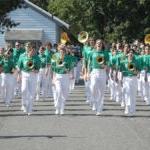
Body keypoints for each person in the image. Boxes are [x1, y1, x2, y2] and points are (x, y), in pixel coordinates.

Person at [17, 42, 40, 115]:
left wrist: (35, 70)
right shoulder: (22, 56)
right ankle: (23, 104)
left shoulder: (36, 56)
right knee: (23, 90)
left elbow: (38, 68)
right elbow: (19, 67)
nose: (28, 47)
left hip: (33, 75)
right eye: (27, 46)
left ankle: (30, 109)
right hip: (24, 74)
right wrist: (18, 76)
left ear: (31, 48)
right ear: (25, 47)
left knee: (31, 93)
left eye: (29, 46)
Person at [88, 39, 109, 115]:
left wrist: (105, 66)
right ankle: (94, 102)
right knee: (93, 87)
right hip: (94, 71)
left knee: (101, 91)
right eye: (97, 43)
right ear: (95, 44)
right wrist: (87, 73)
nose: (99, 44)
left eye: (100, 43)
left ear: (102, 44)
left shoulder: (105, 53)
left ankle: (99, 108)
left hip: (102, 72)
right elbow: (89, 63)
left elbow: (108, 64)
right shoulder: (91, 53)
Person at [51, 43, 73, 115]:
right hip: (58, 76)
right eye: (61, 48)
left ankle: (62, 108)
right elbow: (53, 67)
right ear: (58, 49)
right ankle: (57, 108)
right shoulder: (54, 56)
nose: (62, 50)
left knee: (65, 94)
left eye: (63, 49)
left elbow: (71, 67)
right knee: (58, 91)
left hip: (65, 76)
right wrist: (53, 77)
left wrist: (69, 71)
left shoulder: (69, 57)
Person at [119, 49, 140, 115]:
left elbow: (138, 73)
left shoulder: (136, 62)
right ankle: (127, 108)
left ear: (133, 54)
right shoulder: (123, 62)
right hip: (126, 78)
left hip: (133, 78)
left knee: (133, 94)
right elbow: (121, 71)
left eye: (132, 53)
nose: (130, 54)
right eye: (129, 53)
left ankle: (132, 109)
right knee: (127, 93)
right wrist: (121, 80)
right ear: (127, 54)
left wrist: (134, 71)